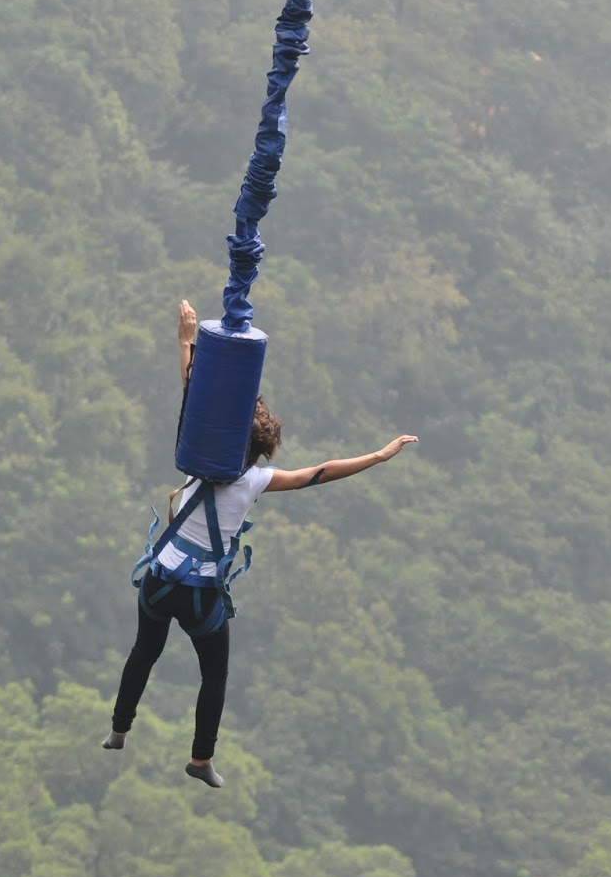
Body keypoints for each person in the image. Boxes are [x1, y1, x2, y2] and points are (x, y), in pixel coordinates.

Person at [104, 299, 418, 788]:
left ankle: (119, 728)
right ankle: (201, 760)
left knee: (145, 651)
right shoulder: (254, 481)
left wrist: (186, 341)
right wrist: (378, 456)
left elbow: (193, 396)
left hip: (161, 575)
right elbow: (318, 473)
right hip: (202, 591)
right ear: (262, 449)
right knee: (214, 674)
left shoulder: (197, 459)